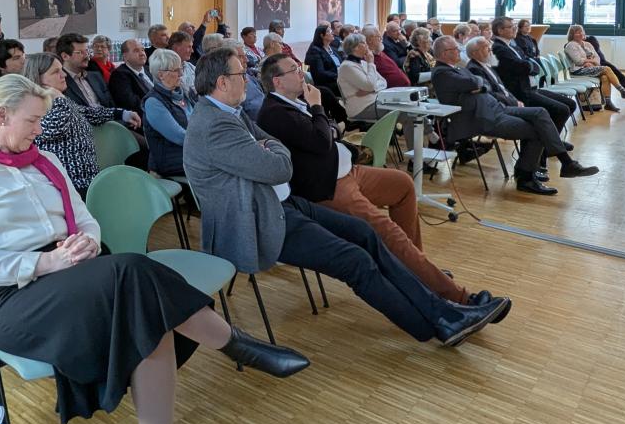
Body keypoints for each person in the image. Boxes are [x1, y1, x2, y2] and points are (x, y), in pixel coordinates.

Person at [0, 74, 308, 424]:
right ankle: (234, 345)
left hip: (75, 272)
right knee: (132, 274)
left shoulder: (44, 161)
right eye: (33, 120)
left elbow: (87, 219)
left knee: (145, 311)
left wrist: (88, 243)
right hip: (10, 298)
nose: (40, 129)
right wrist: (49, 263)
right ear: (1, 116)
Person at [182, 49, 508, 349]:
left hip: (282, 204)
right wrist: (271, 150)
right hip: (259, 221)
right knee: (356, 260)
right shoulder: (214, 125)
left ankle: (440, 306)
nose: (248, 80)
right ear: (223, 82)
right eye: (242, 75)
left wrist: (270, 149)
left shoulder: (230, 113)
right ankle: (441, 321)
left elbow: (272, 149)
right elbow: (279, 167)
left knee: (365, 233)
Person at [257, 54, 507, 313]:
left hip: (347, 171)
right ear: (277, 81)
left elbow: (331, 132)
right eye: (294, 70)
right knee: (388, 231)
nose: (301, 73)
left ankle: (414, 268)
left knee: (402, 184)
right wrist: (318, 109)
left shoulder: (295, 103)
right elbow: (322, 140)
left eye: (299, 68)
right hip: (328, 187)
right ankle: (458, 297)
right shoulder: (275, 113)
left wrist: (324, 123)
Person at [432, 37, 597, 196]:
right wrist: (477, 84)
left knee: (540, 112)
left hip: (496, 109)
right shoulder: (441, 72)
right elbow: (476, 83)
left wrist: (478, 85)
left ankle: (561, 164)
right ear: (444, 53)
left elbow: (483, 85)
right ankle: (528, 176)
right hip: (482, 118)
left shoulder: (457, 69)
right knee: (537, 130)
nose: (458, 51)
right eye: (455, 49)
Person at [23, 53, 114, 197]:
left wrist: (121, 114)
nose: (64, 75)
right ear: (38, 78)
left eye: (61, 69)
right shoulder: (36, 106)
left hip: (85, 181)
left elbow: (85, 112)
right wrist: (58, 97)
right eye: (55, 72)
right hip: (67, 185)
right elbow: (51, 129)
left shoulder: (60, 102)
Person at [491, 17, 576, 133]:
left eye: (515, 26)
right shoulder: (498, 48)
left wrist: (530, 66)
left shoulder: (512, 46)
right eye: (511, 27)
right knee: (561, 110)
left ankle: (550, 140)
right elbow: (522, 66)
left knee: (570, 104)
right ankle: (549, 143)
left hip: (530, 88)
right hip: (520, 92)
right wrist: (530, 66)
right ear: (500, 30)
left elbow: (532, 64)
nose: (515, 28)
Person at [55, 33, 142, 130]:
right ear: (65, 56)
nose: (87, 56)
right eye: (80, 52)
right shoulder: (60, 82)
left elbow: (110, 105)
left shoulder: (95, 77)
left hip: (114, 126)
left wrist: (123, 120)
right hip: (88, 133)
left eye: (87, 51)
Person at [142, 49, 196, 178]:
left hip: (191, 151)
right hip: (170, 158)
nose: (181, 74)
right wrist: (208, 142)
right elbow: (179, 136)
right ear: (161, 75)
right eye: (176, 70)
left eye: (180, 68)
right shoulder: (153, 102)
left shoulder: (184, 93)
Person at [565, 24, 625, 111]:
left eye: (581, 32)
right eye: (577, 33)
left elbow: (597, 58)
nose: (580, 34)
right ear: (572, 35)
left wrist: (592, 63)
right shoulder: (570, 45)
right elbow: (578, 61)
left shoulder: (588, 44)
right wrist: (590, 61)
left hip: (589, 69)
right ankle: (623, 91)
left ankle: (608, 104)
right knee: (607, 69)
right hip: (577, 71)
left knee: (605, 77)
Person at [336, 33, 387, 122]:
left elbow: (383, 82)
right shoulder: (347, 67)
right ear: (355, 47)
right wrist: (371, 63)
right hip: (361, 108)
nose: (367, 45)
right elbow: (370, 85)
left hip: (375, 101)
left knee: (405, 109)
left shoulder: (363, 63)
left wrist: (371, 90)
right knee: (402, 112)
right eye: (363, 43)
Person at [110, 38, 155, 113]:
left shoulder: (149, 69)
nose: (142, 53)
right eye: (136, 51)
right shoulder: (120, 75)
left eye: (142, 50)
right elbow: (132, 104)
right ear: (125, 56)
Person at [168, 31, 197, 95]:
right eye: (189, 47)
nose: (192, 51)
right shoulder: (165, 69)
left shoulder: (190, 67)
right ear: (176, 48)